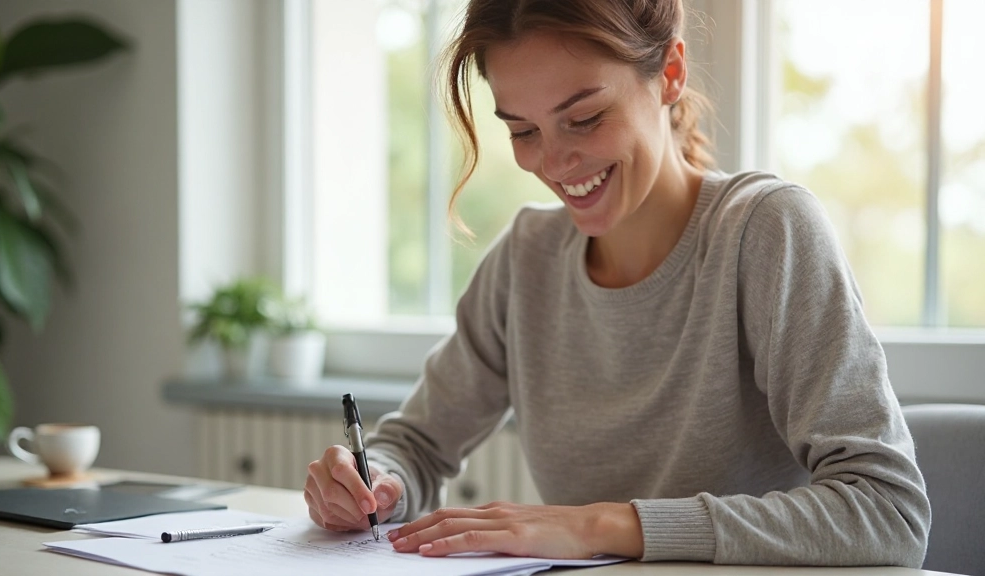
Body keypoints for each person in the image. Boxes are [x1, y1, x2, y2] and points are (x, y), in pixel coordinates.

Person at [304, 0, 930, 566]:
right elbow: (416, 444)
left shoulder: (765, 232)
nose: (554, 163)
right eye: (523, 131)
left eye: (584, 117)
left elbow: (887, 509)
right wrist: (376, 482)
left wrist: (601, 526)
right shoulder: (526, 260)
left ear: (671, 73)